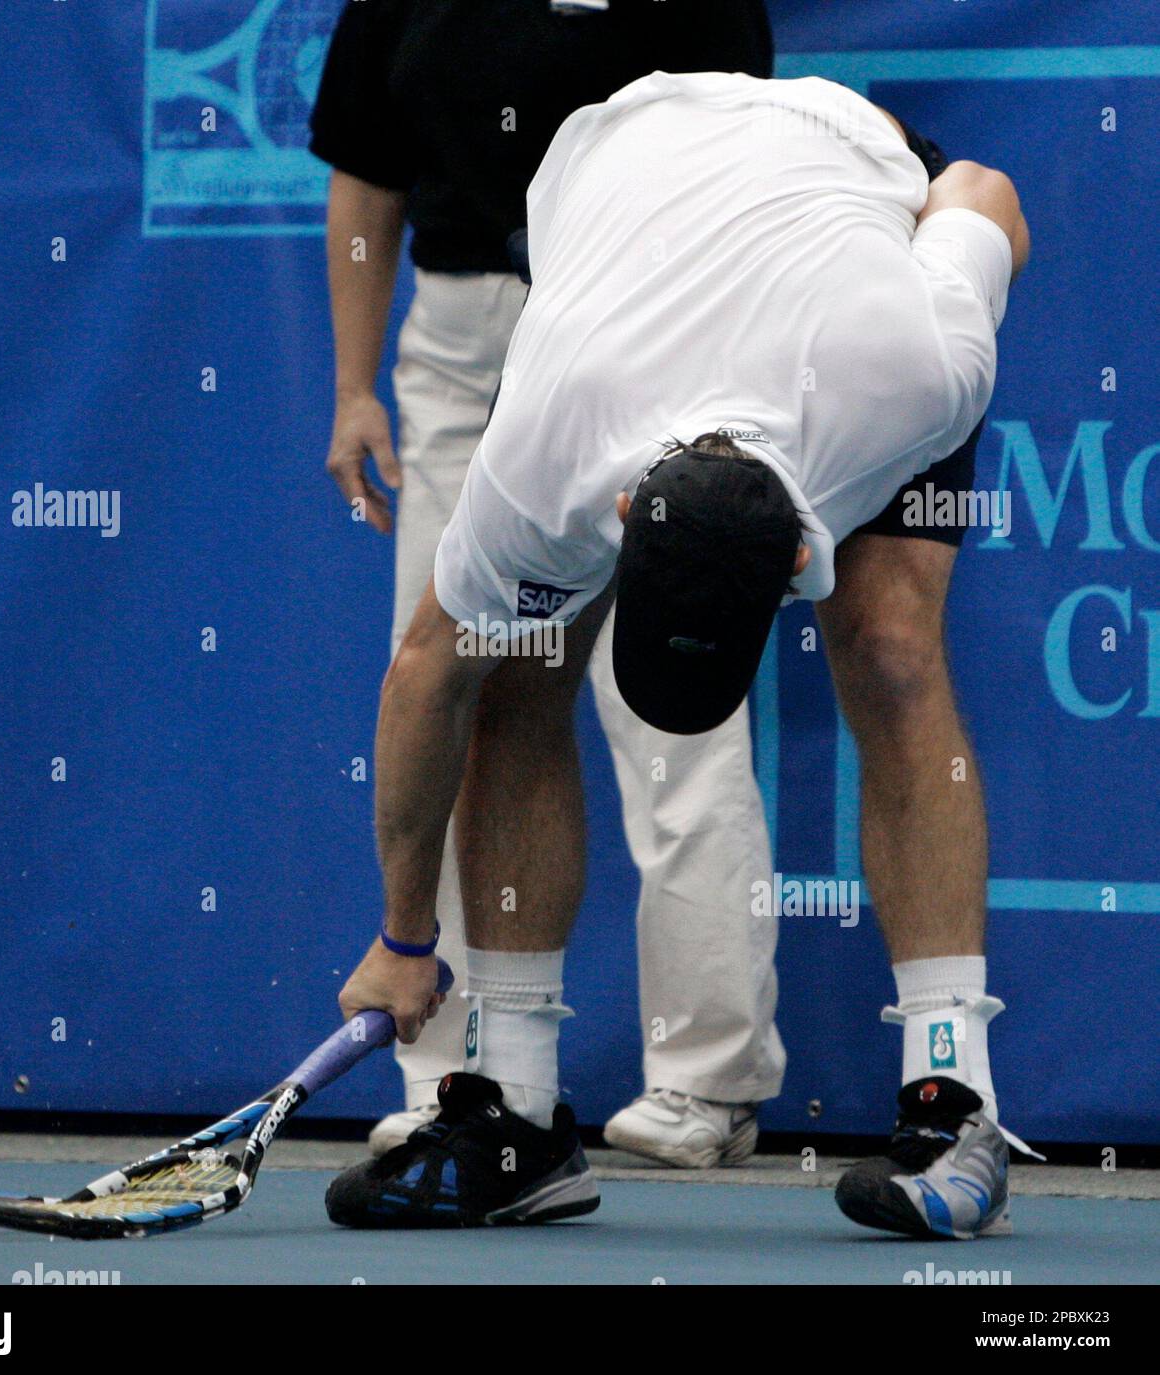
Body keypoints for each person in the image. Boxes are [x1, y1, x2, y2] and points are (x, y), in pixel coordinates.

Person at [326, 70, 1032, 1239]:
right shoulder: (553, 446)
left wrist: (921, 227)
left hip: (841, 194)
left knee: (891, 646)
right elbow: (425, 673)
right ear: (612, 516)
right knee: (514, 665)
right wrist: (404, 940)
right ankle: (511, 1113)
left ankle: (954, 1105)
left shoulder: (911, 366)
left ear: (808, 540)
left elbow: (979, 191)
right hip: (621, 196)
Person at [310, 0, 782, 1167]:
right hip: (459, 354)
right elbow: (368, 185)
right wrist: (352, 384)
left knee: (675, 713)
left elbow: (731, 164)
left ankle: (706, 1078)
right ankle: (458, 1077)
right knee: (457, 694)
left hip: (648, 339)